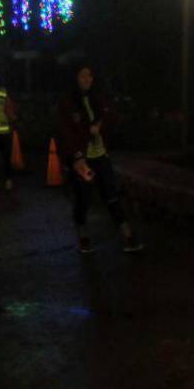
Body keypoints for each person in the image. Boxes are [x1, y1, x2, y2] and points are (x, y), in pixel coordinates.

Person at [57, 66, 142, 254]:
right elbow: (65, 132)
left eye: (89, 76)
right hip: (82, 159)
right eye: (82, 76)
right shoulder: (68, 102)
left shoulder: (99, 97)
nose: (87, 80)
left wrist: (100, 124)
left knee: (111, 196)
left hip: (100, 155)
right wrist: (76, 157)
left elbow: (111, 116)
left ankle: (128, 236)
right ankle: (83, 236)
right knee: (83, 199)